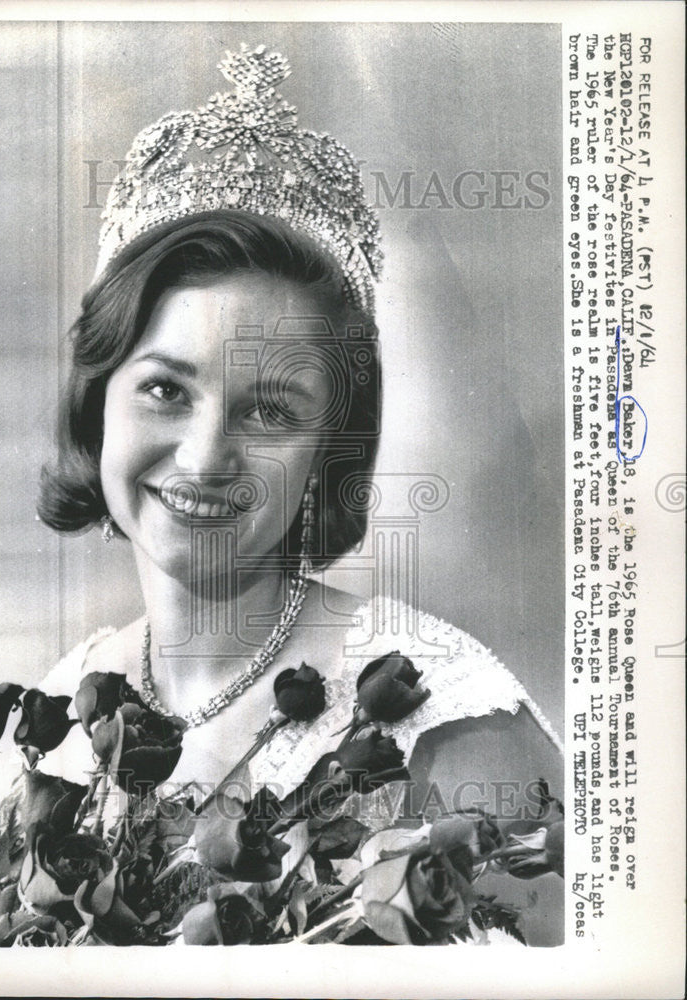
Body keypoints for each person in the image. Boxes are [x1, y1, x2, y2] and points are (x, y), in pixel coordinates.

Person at [37, 43, 563, 940]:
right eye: (165, 388)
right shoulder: (68, 701)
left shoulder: (457, 728)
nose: (204, 459)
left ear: (330, 450)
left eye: (270, 411)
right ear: (99, 406)